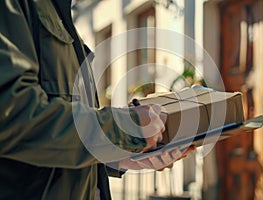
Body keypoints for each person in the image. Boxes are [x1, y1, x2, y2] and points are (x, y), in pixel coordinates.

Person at [0, 1, 194, 199]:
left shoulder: (57, 11)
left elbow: (54, 145)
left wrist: (121, 155)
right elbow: (14, 117)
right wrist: (126, 128)